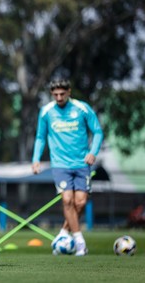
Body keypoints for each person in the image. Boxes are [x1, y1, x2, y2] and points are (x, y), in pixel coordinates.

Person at [31, 78, 103, 256]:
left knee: (81, 202)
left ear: (69, 92)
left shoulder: (82, 108)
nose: (59, 97)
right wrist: (36, 159)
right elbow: (40, 137)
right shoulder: (46, 112)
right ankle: (80, 242)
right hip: (60, 165)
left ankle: (63, 233)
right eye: (55, 94)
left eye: (62, 94)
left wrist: (93, 152)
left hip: (82, 163)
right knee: (67, 200)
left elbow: (98, 131)